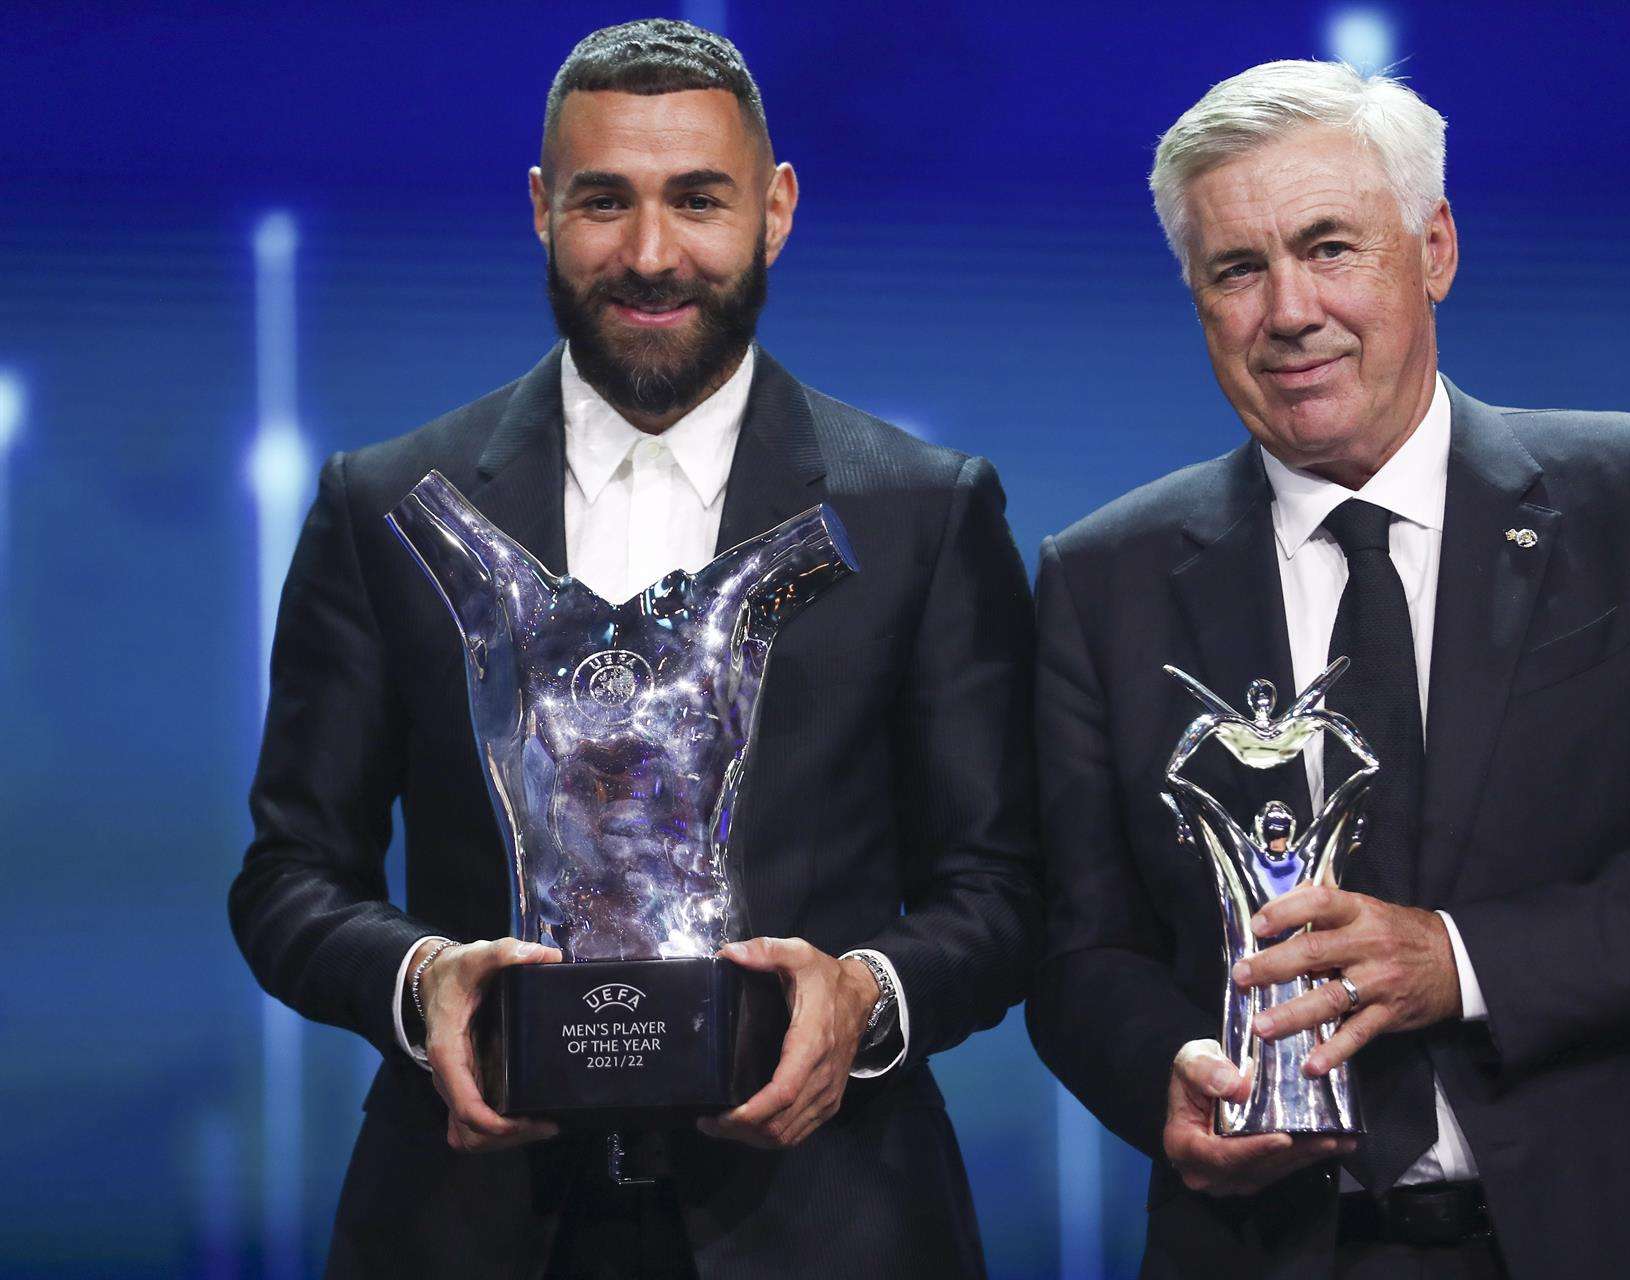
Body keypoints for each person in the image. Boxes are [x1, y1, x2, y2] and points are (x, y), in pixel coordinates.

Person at [1024, 59, 1630, 1279]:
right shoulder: (1106, 576)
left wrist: (1458, 961)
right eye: (1238, 269)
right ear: (1197, 297)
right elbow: (1078, 948)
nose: (1290, 309)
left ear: (1436, 249)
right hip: (1273, 1246)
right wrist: (1169, 1070)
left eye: (1330, 247)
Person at [229, 20, 1037, 1279]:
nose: (652, 253)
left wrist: (864, 998)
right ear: (543, 209)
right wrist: (419, 981)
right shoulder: (384, 505)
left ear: (775, 211)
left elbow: (1002, 883)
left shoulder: (924, 511)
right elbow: (287, 877)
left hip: (833, 1224)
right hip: (465, 1219)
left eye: (698, 199)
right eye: (605, 201)